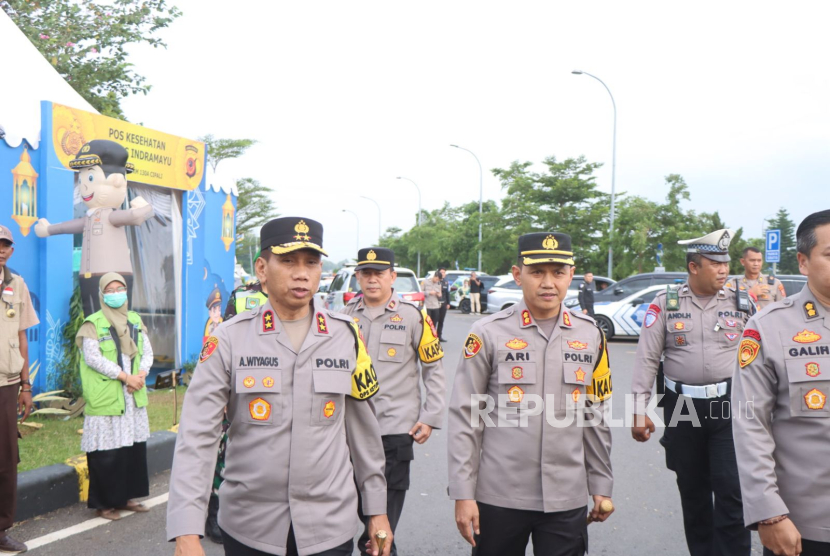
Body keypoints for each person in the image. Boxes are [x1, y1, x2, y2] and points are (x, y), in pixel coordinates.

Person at [167, 217, 392, 556]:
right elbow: (197, 436)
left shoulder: (347, 336)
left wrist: (376, 511)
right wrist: (186, 530)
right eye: (288, 261)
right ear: (261, 268)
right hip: (249, 526)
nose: (301, 273)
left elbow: (364, 433)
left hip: (329, 526)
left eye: (311, 263)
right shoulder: (229, 338)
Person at [448, 232, 614, 556]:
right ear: (517, 274)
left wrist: (601, 485)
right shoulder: (488, 332)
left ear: (571, 274)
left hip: (566, 499)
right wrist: (463, 493)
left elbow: (595, 416)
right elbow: (465, 416)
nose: (548, 282)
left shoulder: (591, 334)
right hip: (498, 498)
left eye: (558, 272)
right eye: (537, 272)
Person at [630, 228, 754, 556]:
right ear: (694, 267)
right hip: (683, 408)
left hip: (729, 406)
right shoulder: (666, 304)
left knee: (732, 490)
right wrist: (638, 408)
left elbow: (761, 357)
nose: (724, 269)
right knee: (693, 491)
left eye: (726, 263)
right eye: (714, 263)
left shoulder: (742, 302)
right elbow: (646, 357)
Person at [732, 210, 830, 556]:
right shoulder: (768, 328)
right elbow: (750, 424)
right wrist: (768, 513)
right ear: (803, 262)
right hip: (806, 525)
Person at [342, 247, 446, 556]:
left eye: (379, 273)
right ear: (358, 276)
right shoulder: (344, 317)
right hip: (351, 429)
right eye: (366, 273)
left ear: (392, 276)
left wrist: (430, 416)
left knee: (384, 521)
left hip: (395, 428)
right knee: (355, 507)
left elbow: (434, 368)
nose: (372, 279)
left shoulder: (413, 317)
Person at [34, 140, 153, 316]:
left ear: (116, 181)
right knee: (91, 314)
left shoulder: (112, 215)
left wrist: (146, 209)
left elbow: (135, 217)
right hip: (88, 275)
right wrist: (50, 229)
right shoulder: (90, 217)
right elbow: (71, 226)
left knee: (115, 318)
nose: (84, 186)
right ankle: (93, 342)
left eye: (90, 178)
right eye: (82, 180)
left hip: (114, 276)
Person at [200, 264, 269, 545]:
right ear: (263, 267)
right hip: (241, 388)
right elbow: (223, 342)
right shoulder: (242, 297)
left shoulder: (299, 299)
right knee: (224, 453)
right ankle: (214, 512)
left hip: (273, 392)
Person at [76, 272, 153, 521]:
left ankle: (128, 497)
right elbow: (93, 358)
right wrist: (125, 377)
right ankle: (105, 504)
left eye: (120, 288)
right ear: (101, 294)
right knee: (106, 452)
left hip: (132, 395)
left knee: (131, 449)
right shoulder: (92, 324)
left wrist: (140, 374)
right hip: (108, 395)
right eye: (109, 289)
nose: (116, 293)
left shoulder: (134, 320)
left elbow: (147, 352)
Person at [0, 225, 38, 554]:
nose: (0, 249)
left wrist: (27, 385)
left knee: (6, 458)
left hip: (8, 384)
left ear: (11, 250)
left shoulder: (18, 285)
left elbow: (23, 336)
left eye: (5, 245)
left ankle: (1, 530)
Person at [423, 271, 442, 336]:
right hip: (428, 305)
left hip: (435, 306)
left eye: (438, 280)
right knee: (427, 323)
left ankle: (433, 336)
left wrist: (439, 295)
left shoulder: (439, 284)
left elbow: (440, 295)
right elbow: (421, 292)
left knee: (434, 323)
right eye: (436, 279)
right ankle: (426, 335)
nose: (437, 281)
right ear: (434, 276)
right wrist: (429, 292)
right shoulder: (425, 282)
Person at [437, 268, 450, 341]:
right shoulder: (436, 281)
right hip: (436, 303)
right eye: (441, 272)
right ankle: (433, 336)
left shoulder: (446, 282)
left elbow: (447, 293)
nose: (443, 274)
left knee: (441, 320)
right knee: (434, 320)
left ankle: (439, 336)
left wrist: (448, 303)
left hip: (444, 303)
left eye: (444, 272)